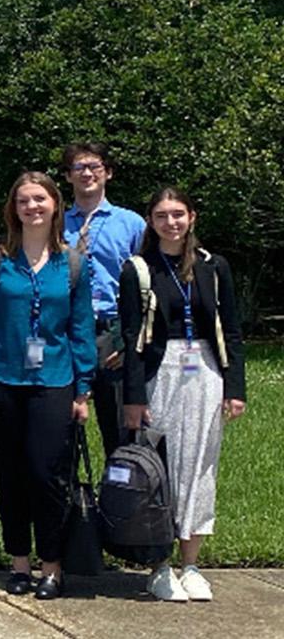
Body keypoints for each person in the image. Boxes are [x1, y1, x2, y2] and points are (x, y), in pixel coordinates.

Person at [0, 172, 94, 601]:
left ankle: (51, 565)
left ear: (55, 204)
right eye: (24, 201)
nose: (32, 207)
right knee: (11, 474)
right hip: (1, 379)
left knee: (47, 474)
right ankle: (19, 562)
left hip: (55, 380)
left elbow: (81, 326)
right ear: (13, 208)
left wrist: (83, 388)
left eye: (40, 199)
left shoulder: (72, 263)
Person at [121, 188, 247, 604]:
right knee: (159, 470)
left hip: (205, 371)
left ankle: (191, 563)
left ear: (191, 217)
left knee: (198, 467)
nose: (171, 222)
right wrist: (134, 398)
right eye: (162, 215)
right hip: (161, 374)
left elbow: (230, 330)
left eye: (178, 214)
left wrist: (235, 388)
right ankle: (160, 566)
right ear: (151, 221)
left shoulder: (214, 266)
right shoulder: (139, 269)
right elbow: (132, 338)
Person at [59, 142, 146, 461]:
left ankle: (121, 497)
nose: (87, 173)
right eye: (79, 167)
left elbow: (145, 285)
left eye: (94, 166)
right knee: (63, 421)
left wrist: (127, 339)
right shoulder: (55, 223)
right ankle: (65, 498)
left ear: (108, 172)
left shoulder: (132, 224)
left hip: (113, 330)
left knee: (120, 426)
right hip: (67, 331)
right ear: (68, 176)